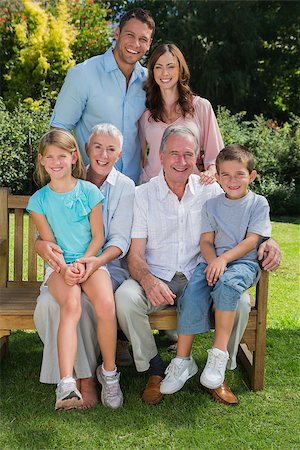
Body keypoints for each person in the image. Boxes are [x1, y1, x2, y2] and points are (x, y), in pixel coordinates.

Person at [115, 125, 281, 406]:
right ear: (161, 154)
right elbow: (135, 254)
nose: (181, 161)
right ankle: (155, 369)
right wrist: (148, 280)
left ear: (198, 157)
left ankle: (219, 371)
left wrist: (270, 241)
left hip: (201, 275)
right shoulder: (142, 195)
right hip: (159, 276)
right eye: (174, 154)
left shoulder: (210, 189)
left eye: (188, 154)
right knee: (125, 297)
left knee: (240, 300)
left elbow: (242, 213)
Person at [33, 125, 135, 410]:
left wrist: (85, 263)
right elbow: (48, 242)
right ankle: (67, 382)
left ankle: (109, 373)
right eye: (50, 157)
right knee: (72, 304)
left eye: (62, 156)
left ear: (74, 157)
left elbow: (101, 238)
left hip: (92, 263)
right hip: (60, 268)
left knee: (105, 304)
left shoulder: (92, 192)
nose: (56, 162)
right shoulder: (39, 200)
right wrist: (65, 268)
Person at [160, 144, 271, 398]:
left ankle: (218, 355)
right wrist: (213, 262)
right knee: (192, 292)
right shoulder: (211, 205)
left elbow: (252, 241)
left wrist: (223, 261)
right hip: (210, 262)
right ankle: (183, 360)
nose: (233, 181)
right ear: (218, 177)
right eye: (226, 175)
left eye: (239, 174)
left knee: (228, 286)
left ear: (251, 176)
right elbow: (206, 242)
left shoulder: (258, 204)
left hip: (243, 263)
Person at [50, 8, 155, 183]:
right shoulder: (83, 74)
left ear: (149, 43)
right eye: (130, 35)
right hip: (88, 188)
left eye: (143, 39)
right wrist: (68, 179)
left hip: (133, 190)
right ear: (117, 32)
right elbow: (59, 131)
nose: (135, 44)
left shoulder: (150, 82)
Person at [139, 43, 223, 184]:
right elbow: (140, 158)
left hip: (193, 190)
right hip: (153, 190)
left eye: (170, 67)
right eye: (158, 67)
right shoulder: (145, 114)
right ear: (152, 72)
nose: (164, 73)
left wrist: (210, 172)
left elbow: (216, 157)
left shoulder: (201, 107)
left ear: (180, 70)